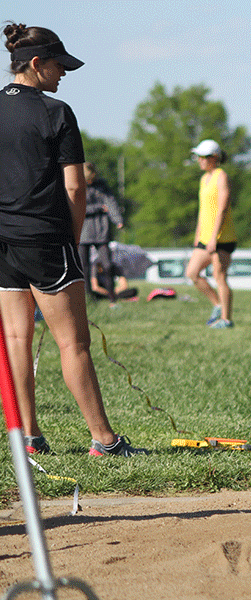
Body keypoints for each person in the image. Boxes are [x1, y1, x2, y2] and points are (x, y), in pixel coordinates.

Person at [0, 22, 146, 456]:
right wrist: (73, 237)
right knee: (73, 343)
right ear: (36, 63)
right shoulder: (55, 112)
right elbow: (76, 188)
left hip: (3, 240)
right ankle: (104, 439)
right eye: (59, 66)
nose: (64, 74)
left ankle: (29, 437)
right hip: (46, 237)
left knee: (16, 339)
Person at [186, 139, 236, 328]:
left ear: (214, 158)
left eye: (203, 157)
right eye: (198, 156)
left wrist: (215, 237)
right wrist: (198, 234)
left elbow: (222, 208)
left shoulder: (221, 176)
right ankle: (217, 305)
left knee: (219, 276)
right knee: (192, 273)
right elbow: (204, 209)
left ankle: (226, 319)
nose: (199, 160)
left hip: (222, 236)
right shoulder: (203, 179)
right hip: (205, 237)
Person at [79, 162, 123, 304]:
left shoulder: (101, 186)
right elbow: (76, 207)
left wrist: (118, 220)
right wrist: (98, 208)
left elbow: (110, 202)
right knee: (83, 267)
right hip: (83, 230)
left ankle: (112, 299)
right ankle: (88, 298)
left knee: (107, 265)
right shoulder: (76, 185)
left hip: (101, 230)